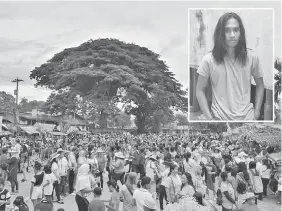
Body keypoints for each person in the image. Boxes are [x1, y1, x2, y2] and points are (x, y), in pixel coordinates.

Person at [196, 12, 264, 121]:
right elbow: (199, 90)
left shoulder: (252, 58)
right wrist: (210, 119)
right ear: (220, 33)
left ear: (241, 32)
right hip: (219, 118)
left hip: (248, 118)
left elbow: (260, 85)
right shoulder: (208, 60)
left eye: (236, 30)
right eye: (227, 30)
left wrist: (256, 113)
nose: (232, 35)